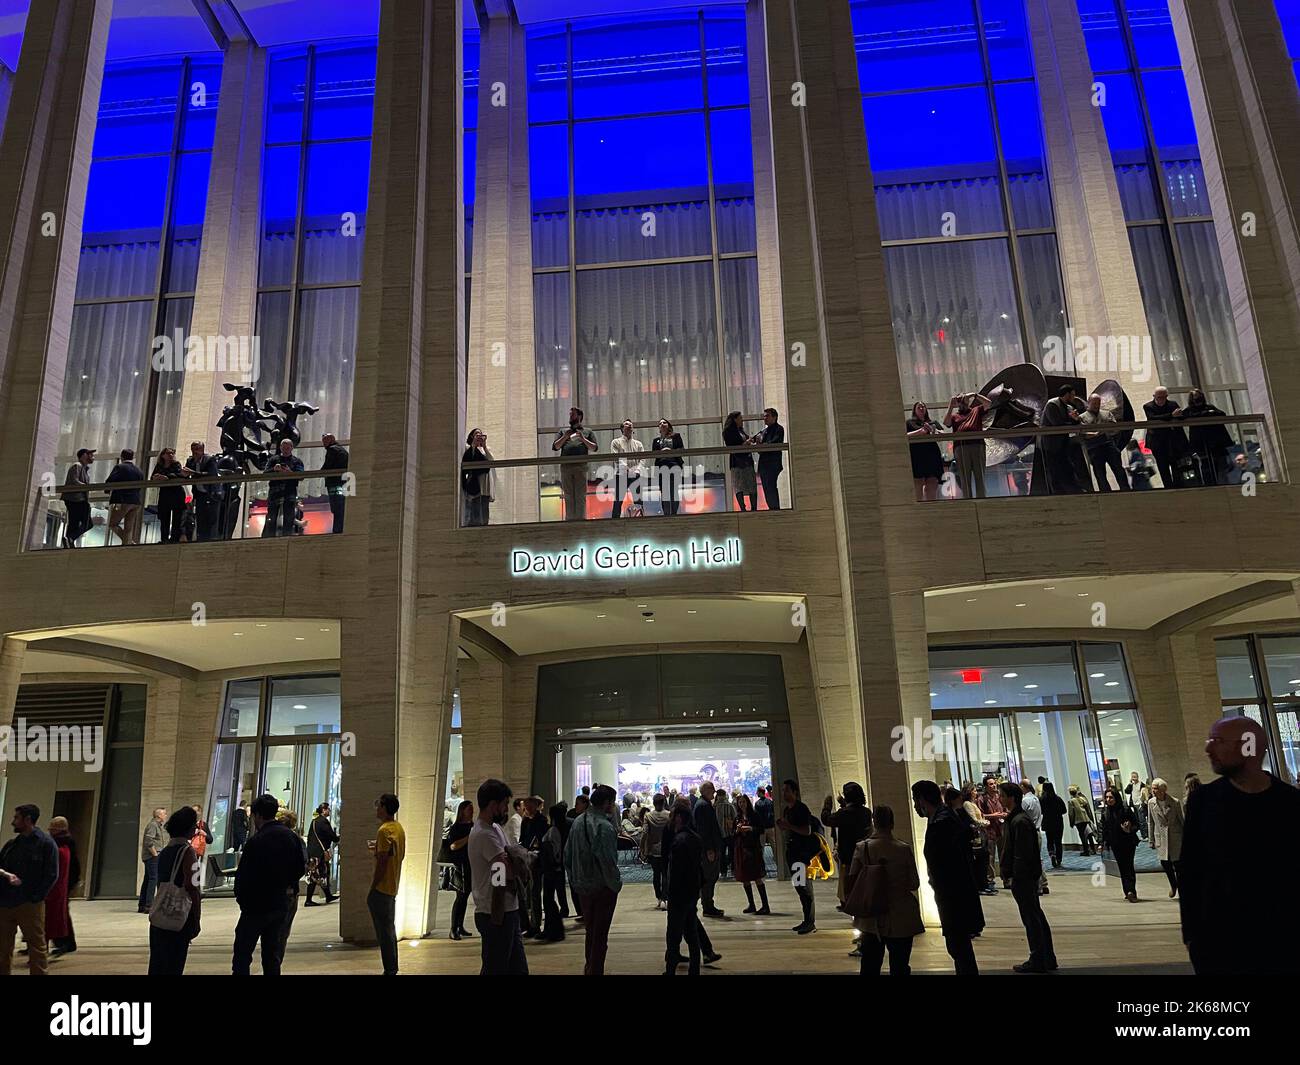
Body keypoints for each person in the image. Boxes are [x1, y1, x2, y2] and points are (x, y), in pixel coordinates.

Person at [1180, 715, 1300, 974]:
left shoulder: (1290, 805)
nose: (1208, 748)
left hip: (1282, 940)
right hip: (1220, 942)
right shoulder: (1204, 802)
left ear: (1248, 746)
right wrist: (1192, 935)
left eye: (1218, 741)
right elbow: (1191, 872)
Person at [911, 781, 982, 974]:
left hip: (953, 896)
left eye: (915, 801)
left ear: (923, 800)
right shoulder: (943, 819)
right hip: (952, 895)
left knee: (959, 946)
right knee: (959, 947)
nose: (915, 807)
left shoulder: (943, 824)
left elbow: (948, 865)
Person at [231, 793, 305, 976]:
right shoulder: (291, 838)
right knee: (272, 954)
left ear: (257, 815)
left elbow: (243, 876)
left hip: (255, 906)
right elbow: (299, 868)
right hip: (279, 903)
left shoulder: (256, 841)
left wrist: (242, 899)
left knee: (242, 953)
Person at [849, 805, 924, 976]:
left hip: (872, 915)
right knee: (900, 965)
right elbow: (914, 883)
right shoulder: (903, 849)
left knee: (870, 965)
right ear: (892, 823)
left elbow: (852, 880)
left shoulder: (863, 848)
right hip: (901, 914)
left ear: (874, 822)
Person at [469, 778, 529, 975]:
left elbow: (506, 862)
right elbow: (502, 872)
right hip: (495, 913)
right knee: (496, 968)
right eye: (504, 805)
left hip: (505, 909)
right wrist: (512, 864)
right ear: (493, 805)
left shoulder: (494, 829)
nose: (506, 809)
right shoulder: (485, 834)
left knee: (516, 968)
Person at [998, 782, 1057, 973]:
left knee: (1031, 917)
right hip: (1023, 876)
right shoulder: (1017, 819)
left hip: (1023, 877)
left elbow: (1021, 854)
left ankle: (1038, 957)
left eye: (1002, 795)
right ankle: (1046, 957)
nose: (999, 798)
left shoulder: (1019, 821)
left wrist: (1014, 876)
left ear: (1011, 798)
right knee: (1034, 915)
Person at [565, 783, 622, 975]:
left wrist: (575, 880)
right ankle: (595, 970)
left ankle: (589, 967)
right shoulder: (604, 827)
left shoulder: (577, 822)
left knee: (591, 933)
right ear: (606, 803)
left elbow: (567, 856)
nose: (613, 806)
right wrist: (615, 885)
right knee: (600, 937)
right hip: (602, 889)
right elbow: (608, 862)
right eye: (612, 802)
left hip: (583, 888)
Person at [0, 805, 60, 976]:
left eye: (16, 818)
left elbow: (52, 874)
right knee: (2, 947)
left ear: (27, 820)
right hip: (5, 903)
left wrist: (36, 897)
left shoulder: (46, 844)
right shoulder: (12, 845)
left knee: (36, 947)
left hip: (29, 904)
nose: (13, 821)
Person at [147, 807, 202, 976]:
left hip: (159, 916)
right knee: (174, 963)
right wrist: (196, 916)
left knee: (157, 963)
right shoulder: (188, 852)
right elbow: (193, 886)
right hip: (177, 916)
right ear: (188, 828)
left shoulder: (165, 852)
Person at [663, 801, 704, 975]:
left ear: (679, 818)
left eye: (672, 816)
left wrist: (669, 893)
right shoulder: (695, 838)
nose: (670, 819)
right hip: (692, 892)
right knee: (692, 934)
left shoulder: (679, 841)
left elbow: (677, 872)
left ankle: (670, 971)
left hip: (679, 894)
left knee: (673, 936)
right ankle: (694, 970)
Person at [367, 793, 405, 975]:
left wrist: (373, 886)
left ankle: (389, 969)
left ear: (385, 808)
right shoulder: (398, 828)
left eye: (379, 805)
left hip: (382, 887)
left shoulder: (383, 831)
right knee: (390, 929)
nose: (377, 808)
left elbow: (382, 861)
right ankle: (392, 967)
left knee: (384, 933)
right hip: (393, 886)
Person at [777, 779, 817, 934]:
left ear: (795, 792)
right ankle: (806, 919)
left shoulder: (801, 809)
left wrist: (789, 826)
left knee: (805, 888)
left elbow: (807, 831)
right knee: (800, 888)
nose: (784, 793)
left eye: (787, 790)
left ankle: (810, 921)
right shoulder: (788, 810)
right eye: (783, 790)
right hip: (792, 853)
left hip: (801, 854)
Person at [1179, 388, 1234, 485]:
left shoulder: (1209, 407)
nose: (1198, 401)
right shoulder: (1189, 410)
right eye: (1196, 399)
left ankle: (1221, 484)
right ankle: (1209, 485)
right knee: (1205, 466)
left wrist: (1208, 413)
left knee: (1219, 465)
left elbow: (1222, 414)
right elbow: (1182, 417)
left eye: (1199, 398)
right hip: (1200, 443)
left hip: (1214, 441)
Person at [553, 407, 597, 521]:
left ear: (579, 417)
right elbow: (556, 447)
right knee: (568, 495)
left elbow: (594, 447)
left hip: (581, 467)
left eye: (573, 415)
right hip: (566, 467)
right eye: (570, 415)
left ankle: (581, 520)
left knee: (580, 495)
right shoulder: (563, 431)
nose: (570, 417)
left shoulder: (588, 431)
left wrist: (583, 439)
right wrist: (565, 436)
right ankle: (570, 521)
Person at [1041, 385, 1087, 494]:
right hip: (1052, 444)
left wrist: (1075, 419)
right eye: (1072, 395)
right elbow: (1057, 423)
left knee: (1066, 466)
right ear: (1067, 394)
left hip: (1063, 442)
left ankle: (1072, 489)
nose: (1074, 397)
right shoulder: (1052, 404)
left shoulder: (1068, 407)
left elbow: (1074, 423)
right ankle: (1059, 491)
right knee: (1055, 468)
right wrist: (1071, 421)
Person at [1079, 394, 1130, 491]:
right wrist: (1099, 432)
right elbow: (1083, 435)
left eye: (1098, 403)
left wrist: (1102, 432)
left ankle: (1126, 489)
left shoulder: (1107, 414)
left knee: (1119, 469)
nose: (1096, 405)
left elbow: (1115, 429)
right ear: (1088, 402)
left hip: (1108, 444)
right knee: (1100, 473)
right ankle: (1105, 492)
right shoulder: (1082, 417)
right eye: (1094, 403)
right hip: (1094, 448)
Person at [944, 392, 990, 499]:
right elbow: (946, 423)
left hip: (977, 445)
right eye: (960, 400)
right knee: (965, 477)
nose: (962, 401)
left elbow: (988, 403)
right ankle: (968, 499)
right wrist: (951, 405)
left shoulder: (976, 410)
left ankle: (982, 499)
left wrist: (975, 395)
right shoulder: (955, 416)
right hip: (961, 447)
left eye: (964, 398)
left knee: (980, 476)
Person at [274, 810, 307, 959]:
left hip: (267, 891)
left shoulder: (264, 837)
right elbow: (301, 865)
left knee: (270, 933)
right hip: (288, 891)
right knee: (282, 933)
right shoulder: (296, 840)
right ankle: (274, 965)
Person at [1142, 387, 1190, 488]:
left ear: (1166, 396)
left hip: (1172, 440)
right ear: (1154, 396)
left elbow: (1179, 417)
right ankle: (1168, 487)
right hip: (1158, 442)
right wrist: (1171, 415)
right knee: (1162, 466)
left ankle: (1178, 486)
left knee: (1176, 464)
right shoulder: (1148, 406)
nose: (1161, 400)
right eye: (1159, 397)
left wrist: (1173, 416)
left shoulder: (1172, 404)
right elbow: (1153, 418)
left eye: (1163, 397)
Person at [731, 792, 770, 914]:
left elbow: (761, 829)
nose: (742, 804)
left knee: (757, 876)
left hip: (752, 848)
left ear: (748, 802)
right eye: (740, 802)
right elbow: (733, 834)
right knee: (745, 877)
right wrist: (737, 830)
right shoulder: (737, 817)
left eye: (744, 802)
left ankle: (765, 905)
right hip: (741, 849)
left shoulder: (754, 815)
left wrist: (750, 828)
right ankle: (751, 904)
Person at [1100, 785, 1140, 902]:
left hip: (1128, 842)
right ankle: (1127, 891)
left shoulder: (1125, 810)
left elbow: (1136, 825)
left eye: (1111, 797)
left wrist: (1129, 829)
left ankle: (1131, 891)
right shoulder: (1105, 812)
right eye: (1106, 797)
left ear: (1116, 797)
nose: (1108, 800)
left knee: (1129, 866)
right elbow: (1103, 829)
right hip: (1115, 844)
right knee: (1122, 867)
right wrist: (1101, 843)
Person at [43, 817, 74, 959]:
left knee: (57, 915)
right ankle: (62, 941)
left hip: (59, 885)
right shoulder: (63, 845)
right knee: (58, 914)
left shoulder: (61, 846)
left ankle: (63, 941)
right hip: (61, 884)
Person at [1147, 778, 1183, 899]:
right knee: (1165, 863)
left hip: (1175, 837)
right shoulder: (1151, 803)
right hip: (1161, 838)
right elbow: (1150, 822)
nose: (1153, 790)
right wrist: (1151, 839)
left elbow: (1181, 820)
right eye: (1152, 788)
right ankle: (1173, 885)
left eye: (1155, 788)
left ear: (1163, 790)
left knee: (1178, 864)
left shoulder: (1175, 802)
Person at [693, 781, 724, 917]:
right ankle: (707, 906)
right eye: (712, 789)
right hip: (708, 849)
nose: (714, 792)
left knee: (710, 876)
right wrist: (709, 849)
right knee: (709, 877)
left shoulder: (703, 804)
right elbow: (704, 830)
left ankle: (708, 904)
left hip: (709, 847)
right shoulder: (703, 806)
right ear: (705, 790)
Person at [261, 439, 305, 537]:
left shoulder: (297, 461)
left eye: (287, 447)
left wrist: (289, 472)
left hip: (289, 492)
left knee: (289, 516)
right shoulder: (273, 460)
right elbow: (265, 474)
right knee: (272, 516)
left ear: (292, 448)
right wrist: (274, 469)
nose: (285, 449)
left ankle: (287, 536)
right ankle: (270, 537)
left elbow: (301, 476)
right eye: (283, 447)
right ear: (280, 447)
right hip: (275, 492)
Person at [445, 800, 474, 940]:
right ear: (462, 811)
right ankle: (453, 928)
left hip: (471, 865)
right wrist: (469, 837)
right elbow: (453, 846)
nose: (472, 811)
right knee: (460, 897)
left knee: (465, 897)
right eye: (469, 809)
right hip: (460, 866)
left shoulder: (472, 826)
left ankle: (460, 926)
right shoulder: (456, 828)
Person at [538, 804, 567, 942]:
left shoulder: (553, 831)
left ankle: (553, 930)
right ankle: (551, 929)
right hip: (554, 869)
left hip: (552, 869)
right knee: (549, 899)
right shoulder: (558, 829)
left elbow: (555, 852)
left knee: (548, 900)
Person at [747, 407, 785, 510]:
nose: (765, 418)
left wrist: (761, 445)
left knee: (771, 487)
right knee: (766, 488)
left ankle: (775, 508)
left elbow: (774, 443)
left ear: (775, 417)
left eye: (767, 416)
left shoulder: (778, 429)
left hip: (772, 463)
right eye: (764, 416)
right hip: (764, 464)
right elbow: (753, 439)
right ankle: (772, 507)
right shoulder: (764, 431)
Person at [183, 441, 222, 541]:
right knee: (200, 518)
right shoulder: (190, 461)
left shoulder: (210, 460)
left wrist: (193, 472)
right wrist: (184, 474)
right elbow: (187, 474)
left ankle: (211, 539)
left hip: (211, 494)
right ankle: (201, 539)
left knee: (212, 519)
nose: (195, 452)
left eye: (197, 449)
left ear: (202, 450)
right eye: (193, 449)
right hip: (199, 494)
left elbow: (211, 474)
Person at [519, 796, 547, 938]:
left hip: (537, 860)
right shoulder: (525, 821)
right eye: (525, 807)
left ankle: (535, 924)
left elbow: (541, 840)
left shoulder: (541, 821)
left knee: (535, 892)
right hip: (527, 858)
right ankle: (530, 923)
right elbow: (523, 839)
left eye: (529, 807)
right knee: (528, 893)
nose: (527, 810)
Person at [905, 402, 945, 501]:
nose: (922, 408)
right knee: (917, 483)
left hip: (932, 455)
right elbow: (905, 435)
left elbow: (942, 434)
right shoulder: (910, 422)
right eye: (919, 407)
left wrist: (933, 431)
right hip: (917, 456)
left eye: (923, 407)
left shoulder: (933, 422)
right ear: (914, 410)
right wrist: (921, 431)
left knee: (932, 482)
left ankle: (931, 507)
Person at [106, 448, 145, 546]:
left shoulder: (120, 467)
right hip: (136, 501)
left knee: (113, 524)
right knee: (128, 528)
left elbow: (111, 480)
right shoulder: (139, 470)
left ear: (122, 456)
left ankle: (128, 542)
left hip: (122, 500)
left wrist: (107, 490)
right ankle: (126, 545)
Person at [975, 775, 1009, 889]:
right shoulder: (981, 799)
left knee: (1004, 854)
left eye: (994, 783)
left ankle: (1006, 879)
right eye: (991, 784)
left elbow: (1006, 809)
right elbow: (980, 815)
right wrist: (994, 816)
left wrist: (1004, 814)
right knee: (990, 857)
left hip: (1001, 829)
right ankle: (990, 880)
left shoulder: (1000, 797)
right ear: (986, 786)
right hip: (989, 831)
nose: (994, 786)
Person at [150, 447, 189, 543]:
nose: (171, 455)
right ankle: (164, 539)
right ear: (163, 455)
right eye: (168, 453)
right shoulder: (159, 465)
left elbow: (180, 474)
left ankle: (174, 538)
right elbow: (153, 477)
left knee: (177, 517)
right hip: (165, 494)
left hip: (176, 493)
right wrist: (156, 478)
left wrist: (167, 477)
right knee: (164, 517)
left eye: (172, 453)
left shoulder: (176, 464)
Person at [640, 793, 671, 909]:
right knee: (666, 874)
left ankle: (658, 896)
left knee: (656, 874)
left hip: (653, 849)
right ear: (664, 802)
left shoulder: (648, 816)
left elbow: (645, 832)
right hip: (667, 849)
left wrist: (642, 847)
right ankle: (665, 897)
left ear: (653, 803)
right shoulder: (669, 815)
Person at [304, 802, 338, 906]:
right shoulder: (323, 822)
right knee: (317, 874)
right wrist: (338, 838)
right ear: (323, 810)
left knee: (321, 873)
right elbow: (331, 835)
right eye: (328, 809)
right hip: (318, 853)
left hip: (313, 851)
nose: (329, 811)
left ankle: (328, 896)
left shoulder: (314, 821)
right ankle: (308, 900)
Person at [609, 419, 645, 518]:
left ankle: (641, 521)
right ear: (622, 428)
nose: (629, 425)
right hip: (621, 475)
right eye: (626, 424)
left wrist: (637, 470)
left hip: (636, 475)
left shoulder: (638, 444)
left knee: (638, 500)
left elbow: (642, 459)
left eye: (630, 424)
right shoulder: (615, 442)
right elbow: (615, 457)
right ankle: (615, 522)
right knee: (618, 500)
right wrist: (627, 469)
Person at [723, 411, 757, 511]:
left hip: (747, 460)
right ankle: (743, 508)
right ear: (735, 419)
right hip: (737, 461)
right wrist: (745, 443)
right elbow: (733, 447)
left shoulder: (740, 430)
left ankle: (754, 508)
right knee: (738, 485)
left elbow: (746, 440)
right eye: (740, 418)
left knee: (751, 484)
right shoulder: (728, 432)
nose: (742, 420)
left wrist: (751, 440)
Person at [461, 428, 494, 527]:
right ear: (472, 436)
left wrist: (484, 446)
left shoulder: (486, 449)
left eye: (481, 434)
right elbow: (468, 460)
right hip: (476, 482)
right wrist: (474, 445)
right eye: (477, 434)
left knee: (484, 508)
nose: (479, 436)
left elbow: (492, 461)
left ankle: (484, 525)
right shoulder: (468, 448)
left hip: (486, 481)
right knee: (474, 509)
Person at [62, 448, 95, 547]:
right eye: (90, 454)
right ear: (84, 455)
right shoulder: (77, 466)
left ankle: (69, 542)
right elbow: (74, 481)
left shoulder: (83, 468)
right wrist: (87, 487)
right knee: (88, 523)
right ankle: (70, 538)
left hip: (76, 499)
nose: (93, 457)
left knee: (74, 523)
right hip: (76, 499)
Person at [652, 419, 685, 516]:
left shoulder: (676, 436)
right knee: (664, 491)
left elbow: (681, 449)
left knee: (673, 490)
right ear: (659, 428)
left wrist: (670, 450)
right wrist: (661, 452)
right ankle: (666, 514)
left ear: (669, 425)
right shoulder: (656, 440)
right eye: (660, 423)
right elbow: (654, 454)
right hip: (661, 466)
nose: (662, 424)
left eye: (664, 422)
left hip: (674, 464)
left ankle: (674, 513)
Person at [138, 807, 166, 913]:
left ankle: (143, 904)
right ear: (158, 815)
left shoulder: (157, 825)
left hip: (151, 856)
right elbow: (148, 840)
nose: (166, 815)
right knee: (153, 879)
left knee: (148, 879)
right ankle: (149, 905)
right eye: (164, 813)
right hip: (152, 856)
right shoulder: (153, 825)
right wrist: (155, 854)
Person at [320, 433, 349, 533]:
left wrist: (320, 473)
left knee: (337, 508)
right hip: (343, 482)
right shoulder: (342, 450)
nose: (324, 444)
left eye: (325, 441)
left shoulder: (332, 450)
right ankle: (341, 529)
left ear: (331, 440)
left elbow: (328, 465)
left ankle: (337, 530)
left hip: (335, 482)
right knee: (341, 508)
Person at [1039, 781, 1068, 869]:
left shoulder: (1042, 799)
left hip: (1047, 822)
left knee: (1050, 840)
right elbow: (1064, 810)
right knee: (1058, 841)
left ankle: (1052, 854)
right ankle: (1059, 860)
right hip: (1058, 822)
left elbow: (1040, 811)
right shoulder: (1057, 799)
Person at [1067, 785, 1097, 855]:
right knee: (1089, 834)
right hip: (1086, 819)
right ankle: (1093, 849)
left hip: (1078, 820)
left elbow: (1071, 813)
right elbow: (1088, 810)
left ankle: (1086, 851)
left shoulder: (1071, 801)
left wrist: (1071, 823)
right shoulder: (1082, 799)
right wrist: (1090, 819)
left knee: (1082, 835)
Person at [714, 788, 736, 879]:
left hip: (719, 834)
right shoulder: (730, 806)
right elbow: (735, 818)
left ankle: (723, 871)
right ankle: (733, 869)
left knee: (721, 853)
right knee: (732, 852)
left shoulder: (714, 806)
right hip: (730, 833)